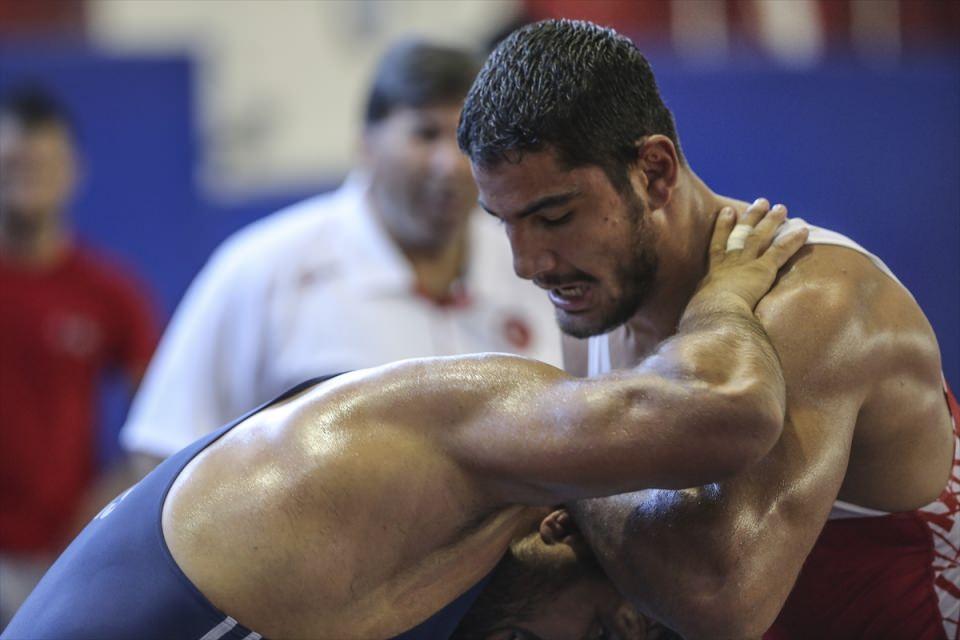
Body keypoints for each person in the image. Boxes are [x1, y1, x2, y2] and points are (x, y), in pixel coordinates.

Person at [3, 206, 808, 640]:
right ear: (560, 530)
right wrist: (728, 294)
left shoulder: (436, 559)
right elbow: (730, 408)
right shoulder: (445, 431)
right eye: (597, 633)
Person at [457, 19, 958, 640]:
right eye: (503, 223)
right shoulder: (595, 300)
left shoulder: (818, 304)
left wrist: (556, 458)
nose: (527, 265)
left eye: (554, 216)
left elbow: (720, 595)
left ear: (655, 172)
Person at [119, 40, 561, 468]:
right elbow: (163, 447)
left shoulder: (532, 263)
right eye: (425, 134)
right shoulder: (266, 267)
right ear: (365, 144)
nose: (449, 164)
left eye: (466, 138)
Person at [0, 88, 160, 626]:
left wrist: (105, 504)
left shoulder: (107, 292)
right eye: (13, 163)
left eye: (44, 163)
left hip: (68, 556)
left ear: (74, 171)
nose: (28, 177)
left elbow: (158, 421)